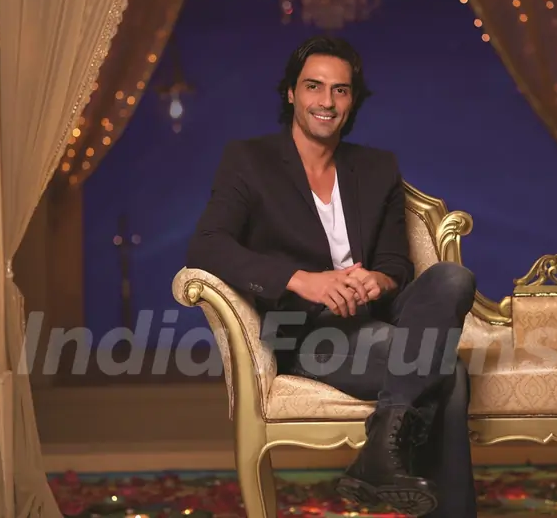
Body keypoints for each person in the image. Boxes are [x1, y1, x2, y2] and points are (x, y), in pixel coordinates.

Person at [186, 35, 477, 517]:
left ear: (352, 100)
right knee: (450, 372)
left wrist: (377, 281)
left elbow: (396, 265)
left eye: (340, 90)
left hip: (379, 321)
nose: (326, 101)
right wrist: (303, 279)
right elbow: (207, 245)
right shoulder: (249, 161)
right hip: (307, 333)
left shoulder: (377, 167)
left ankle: (381, 446)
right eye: (314, 87)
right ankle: (392, 467)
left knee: (452, 279)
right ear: (291, 93)